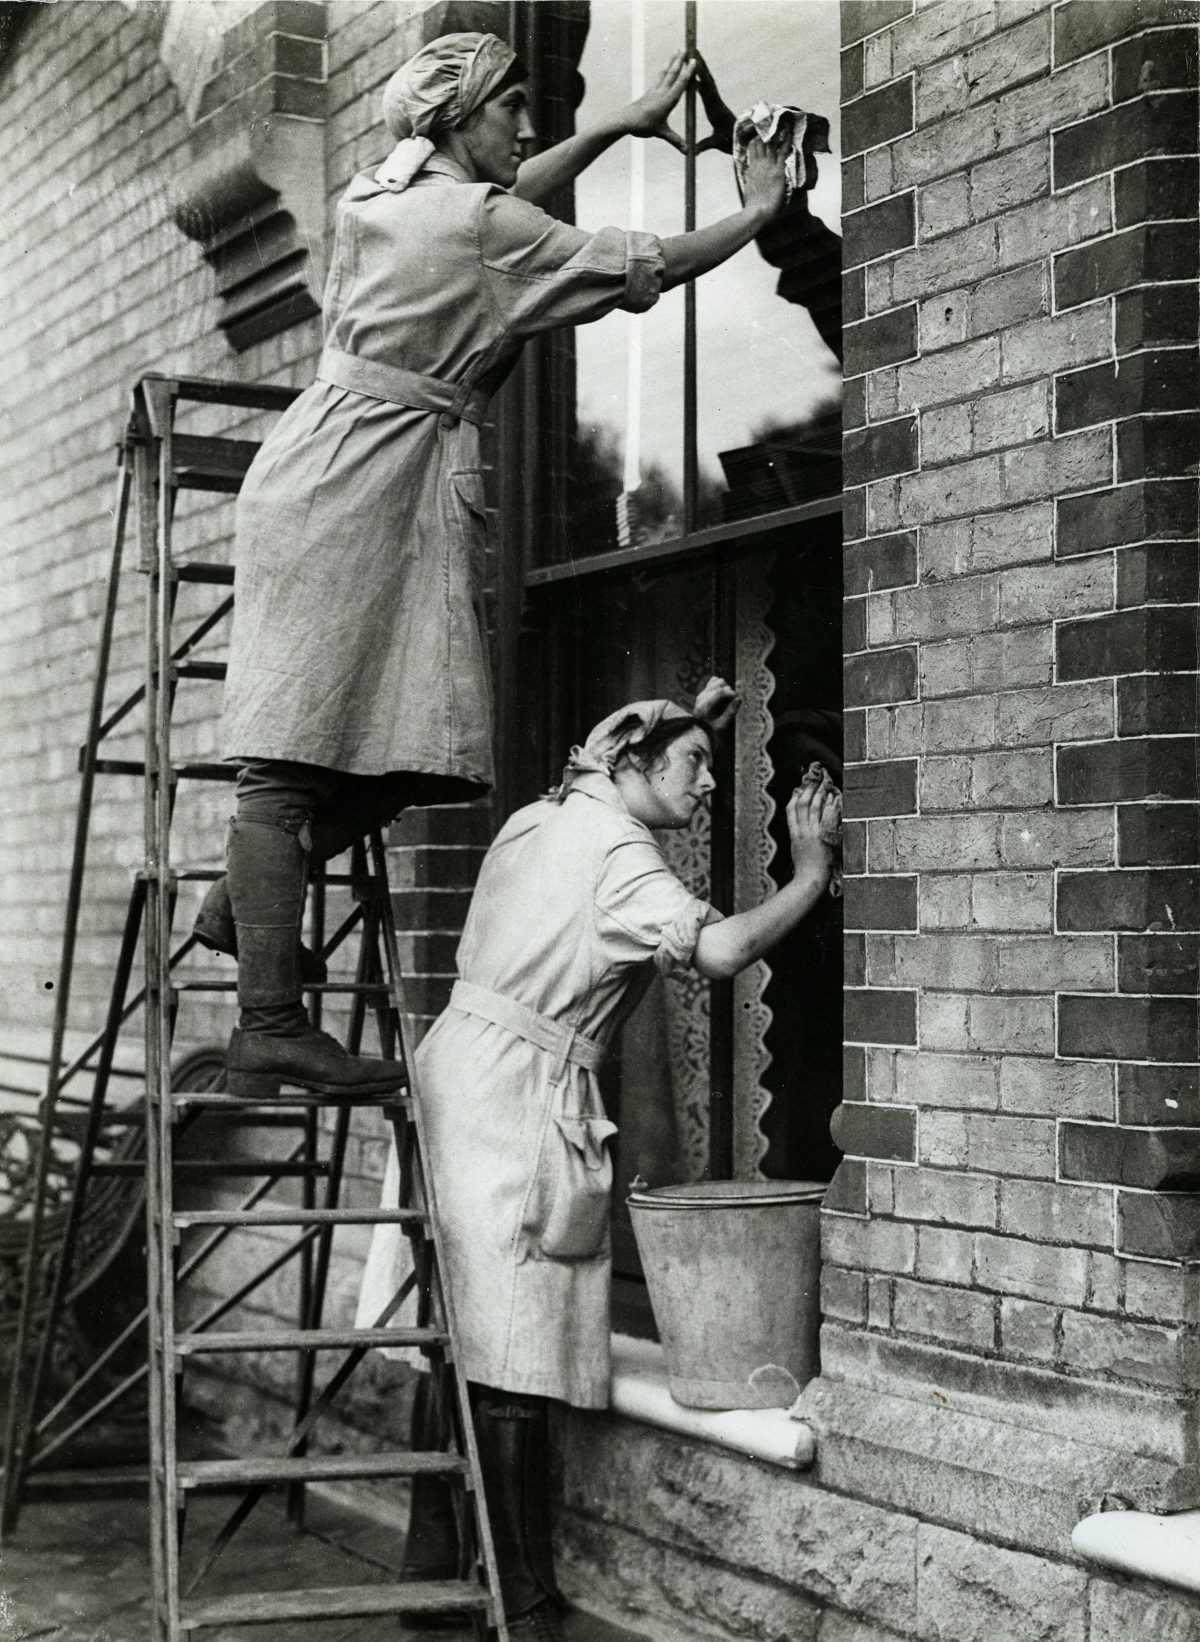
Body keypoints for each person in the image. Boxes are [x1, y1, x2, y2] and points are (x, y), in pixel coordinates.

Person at [197, 31, 793, 1101]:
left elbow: (502, 206)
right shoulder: (474, 224)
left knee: (421, 752)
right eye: (511, 105)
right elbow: (625, 256)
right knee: (286, 766)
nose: (525, 125)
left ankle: (251, 902)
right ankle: (270, 1022)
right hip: (356, 487)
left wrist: (615, 122)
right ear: (457, 117)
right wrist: (756, 213)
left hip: (332, 469)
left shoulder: (387, 191)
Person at [357, 678, 842, 1640]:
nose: (709, 785)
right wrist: (812, 874)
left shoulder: (547, 816)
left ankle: (431, 1555)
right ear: (633, 767)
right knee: (511, 1353)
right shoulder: (620, 854)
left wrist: (690, 721)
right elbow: (719, 952)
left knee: (455, 1320)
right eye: (697, 765)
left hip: (457, 1075)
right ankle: (522, 1603)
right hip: (515, 1102)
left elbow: (628, 752)